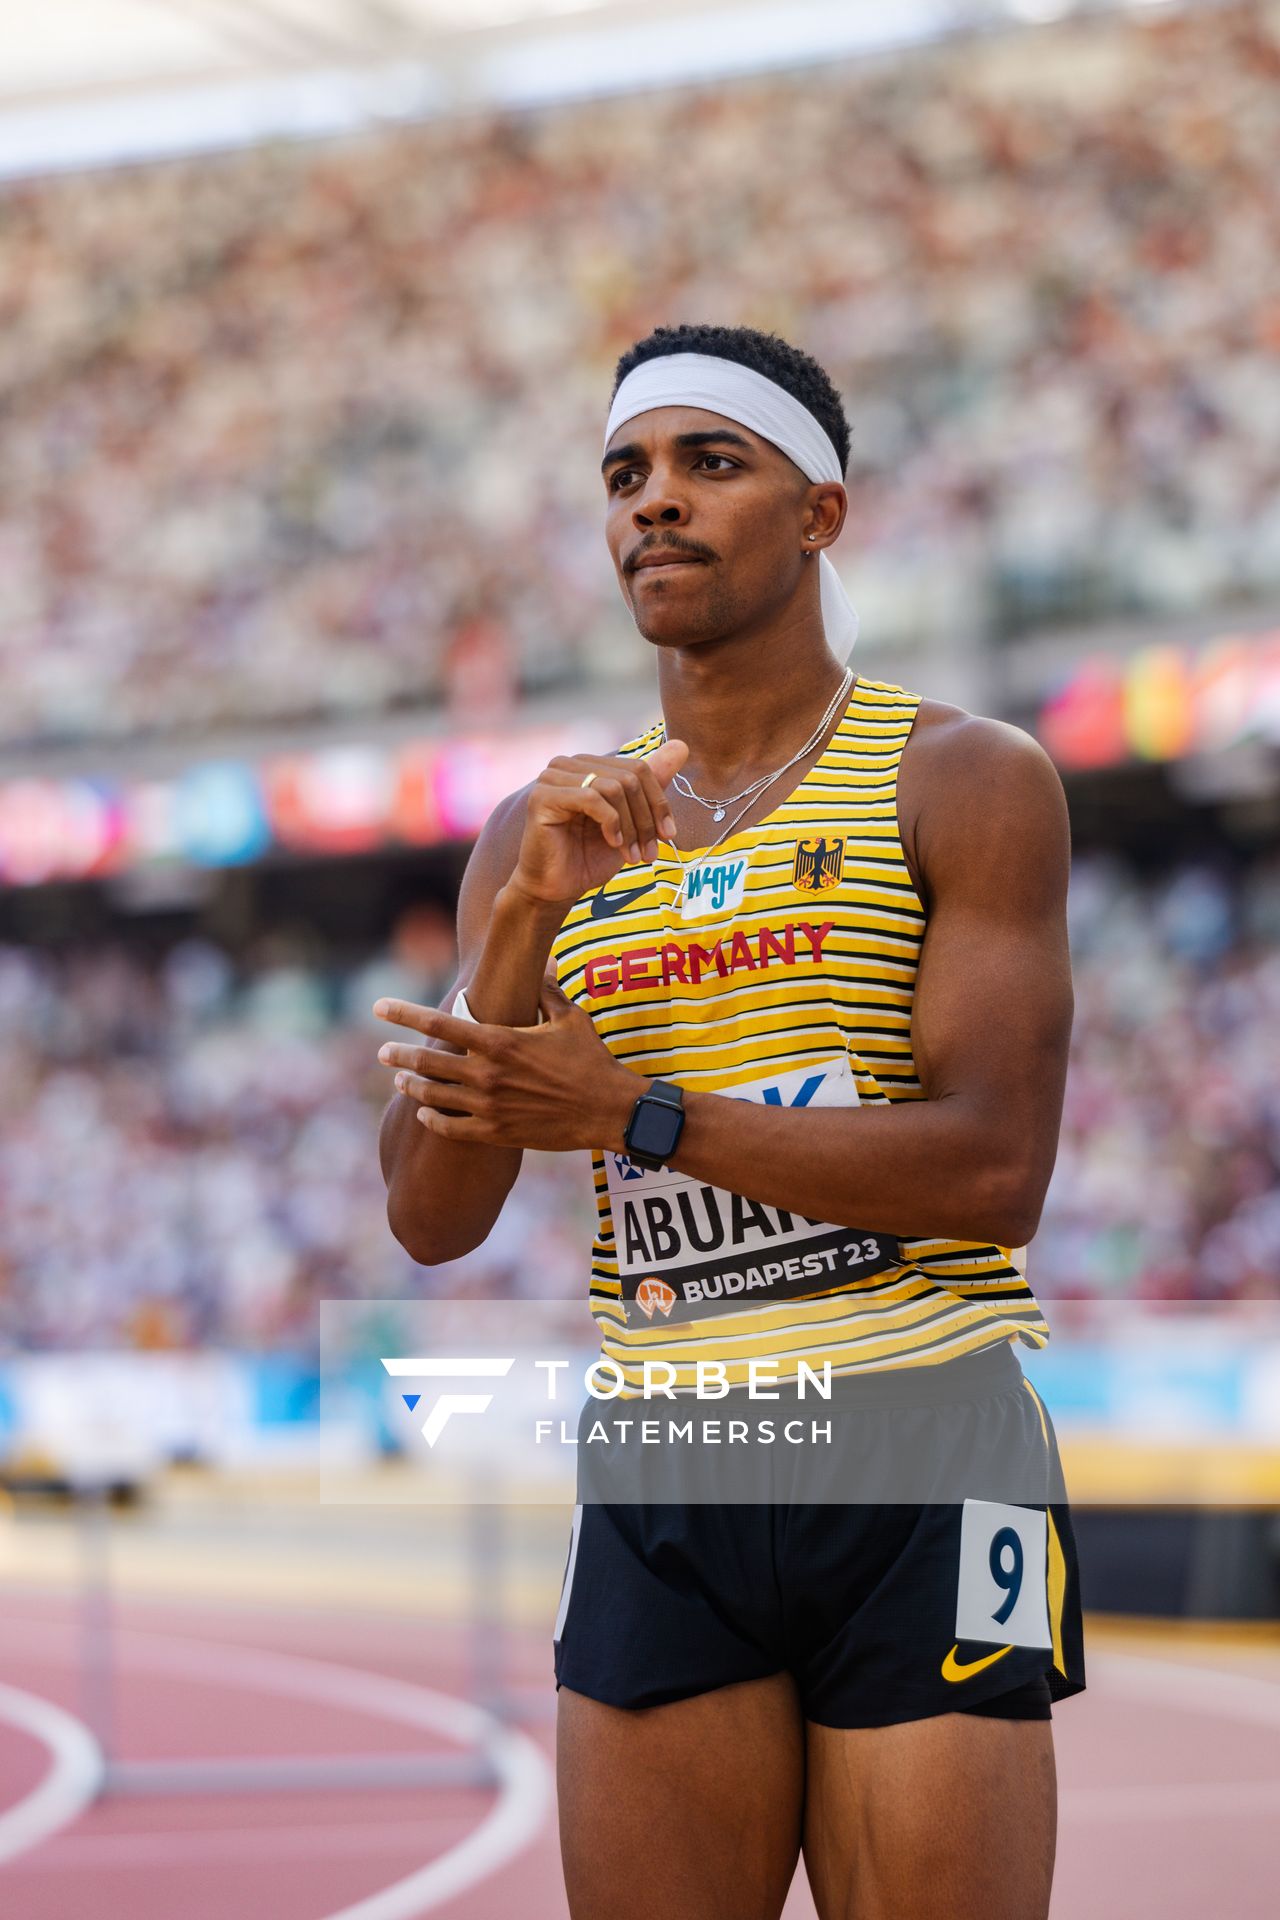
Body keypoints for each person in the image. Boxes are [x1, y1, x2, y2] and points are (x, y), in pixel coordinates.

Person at [374, 323, 1085, 1920]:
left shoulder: (962, 778)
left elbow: (992, 1169)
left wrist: (640, 1112)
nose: (656, 506)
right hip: (675, 1453)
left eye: (713, 463)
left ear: (820, 512)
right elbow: (430, 1216)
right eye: (626, 474)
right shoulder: (540, 831)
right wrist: (512, 939)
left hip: (931, 1440)